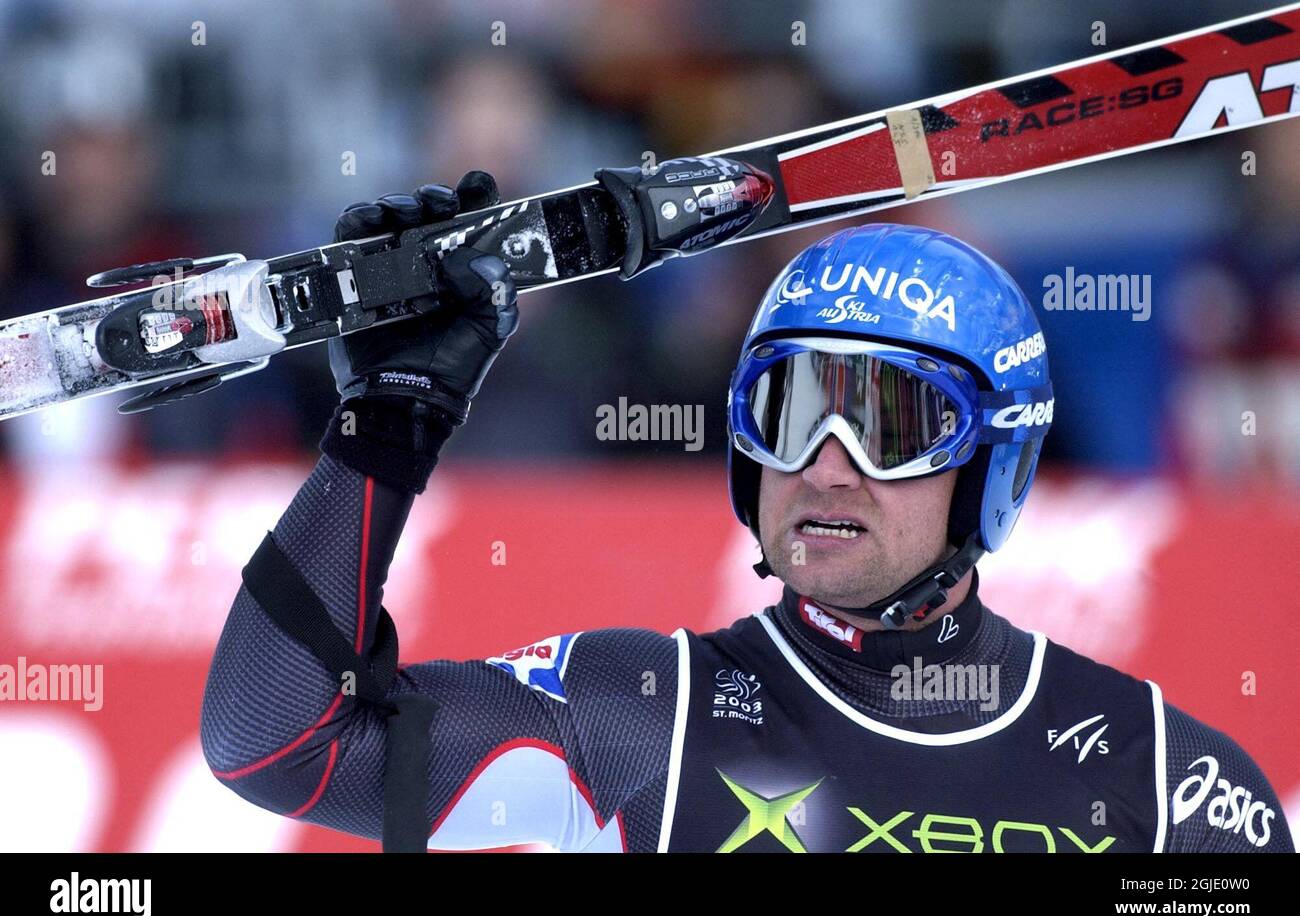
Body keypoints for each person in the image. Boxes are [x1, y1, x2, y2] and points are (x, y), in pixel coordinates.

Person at [201, 171, 1292, 853]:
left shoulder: (1168, 786)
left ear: (991, 465)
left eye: (889, 420)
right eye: (790, 408)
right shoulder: (637, 716)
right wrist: (386, 429)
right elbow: (271, 745)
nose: (827, 463)